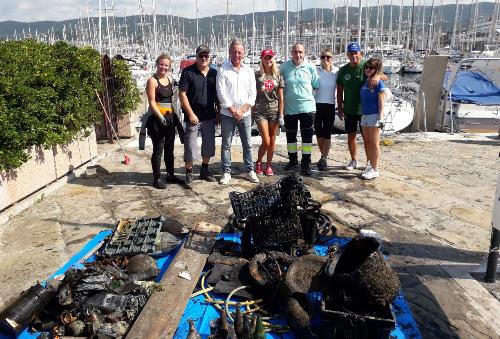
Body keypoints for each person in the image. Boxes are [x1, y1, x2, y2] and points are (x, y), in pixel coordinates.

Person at [336, 42, 387, 171]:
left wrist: (377, 75)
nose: (353, 56)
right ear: (347, 55)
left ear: (360, 54)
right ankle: (354, 160)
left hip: (365, 111)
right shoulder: (343, 70)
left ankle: (370, 163)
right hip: (349, 109)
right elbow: (339, 90)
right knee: (351, 136)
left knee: (368, 140)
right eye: (351, 53)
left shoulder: (367, 66)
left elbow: (385, 77)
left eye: (356, 53)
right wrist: (340, 108)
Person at [216, 39, 258, 185]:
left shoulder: (249, 71)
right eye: (234, 51)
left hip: (245, 114)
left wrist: (243, 110)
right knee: (226, 144)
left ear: (244, 53)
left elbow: (252, 94)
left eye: (239, 52)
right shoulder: (222, 69)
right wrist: (233, 110)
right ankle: (226, 172)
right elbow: (221, 93)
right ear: (229, 52)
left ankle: (249, 170)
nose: (237, 55)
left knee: (247, 144)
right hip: (227, 114)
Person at [178, 45, 219, 188]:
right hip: (192, 117)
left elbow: (217, 96)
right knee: (190, 146)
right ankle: (189, 173)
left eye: (206, 56)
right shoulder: (187, 72)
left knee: (209, 145)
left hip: (209, 116)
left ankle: (204, 170)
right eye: (201, 56)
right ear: (196, 57)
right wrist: (190, 114)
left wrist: (219, 112)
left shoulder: (214, 73)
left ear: (210, 57)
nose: (203, 58)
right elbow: (182, 94)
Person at [280, 43, 320, 176]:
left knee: (307, 139)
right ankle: (292, 161)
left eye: (300, 52)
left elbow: (316, 85)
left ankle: (306, 163)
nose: (298, 54)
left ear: (304, 53)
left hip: (307, 108)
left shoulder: (310, 67)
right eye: (295, 52)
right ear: (291, 52)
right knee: (291, 137)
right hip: (290, 109)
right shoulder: (284, 67)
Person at [145, 53, 181, 189]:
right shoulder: (152, 81)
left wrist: (174, 117)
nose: (163, 67)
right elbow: (152, 101)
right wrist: (160, 117)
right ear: (157, 64)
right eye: (161, 64)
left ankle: (170, 175)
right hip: (157, 120)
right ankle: (157, 178)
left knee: (169, 149)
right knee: (158, 149)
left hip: (170, 118)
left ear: (169, 67)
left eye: (166, 65)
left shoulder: (170, 79)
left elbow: (171, 100)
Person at [253, 48, 284, 176]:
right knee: (265, 140)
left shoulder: (278, 76)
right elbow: (252, 94)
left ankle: (269, 165)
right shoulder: (257, 76)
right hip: (260, 111)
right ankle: (259, 162)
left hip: (274, 111)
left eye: (270, 57)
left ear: (273, 59)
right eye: (265, 58)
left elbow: (281, 97)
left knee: (272, 140)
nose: (268, 60)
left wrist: (281, 114)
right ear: (262, 59)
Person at [360, 58, 387, 180]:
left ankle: (375, 169)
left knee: (374, 143)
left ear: (376, 69)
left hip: (374, 115)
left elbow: (381, 100)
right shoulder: (367, 80)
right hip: (364, 115)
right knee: (367, 142)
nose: (368, 69)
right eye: (366, 67)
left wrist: (381, 117)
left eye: (371, 68)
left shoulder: (378, 82)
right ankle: (370, 164)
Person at [314, 48, 339, 171]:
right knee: (319, 132)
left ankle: (324, 157)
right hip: (317, 104)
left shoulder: (337, 72)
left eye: (328, 57)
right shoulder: (315, 70)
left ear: (332, 59)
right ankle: (323, 156)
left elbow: (341, 88)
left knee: (327, 132)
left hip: (330, 105)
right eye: (323, 57)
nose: (325, 59)